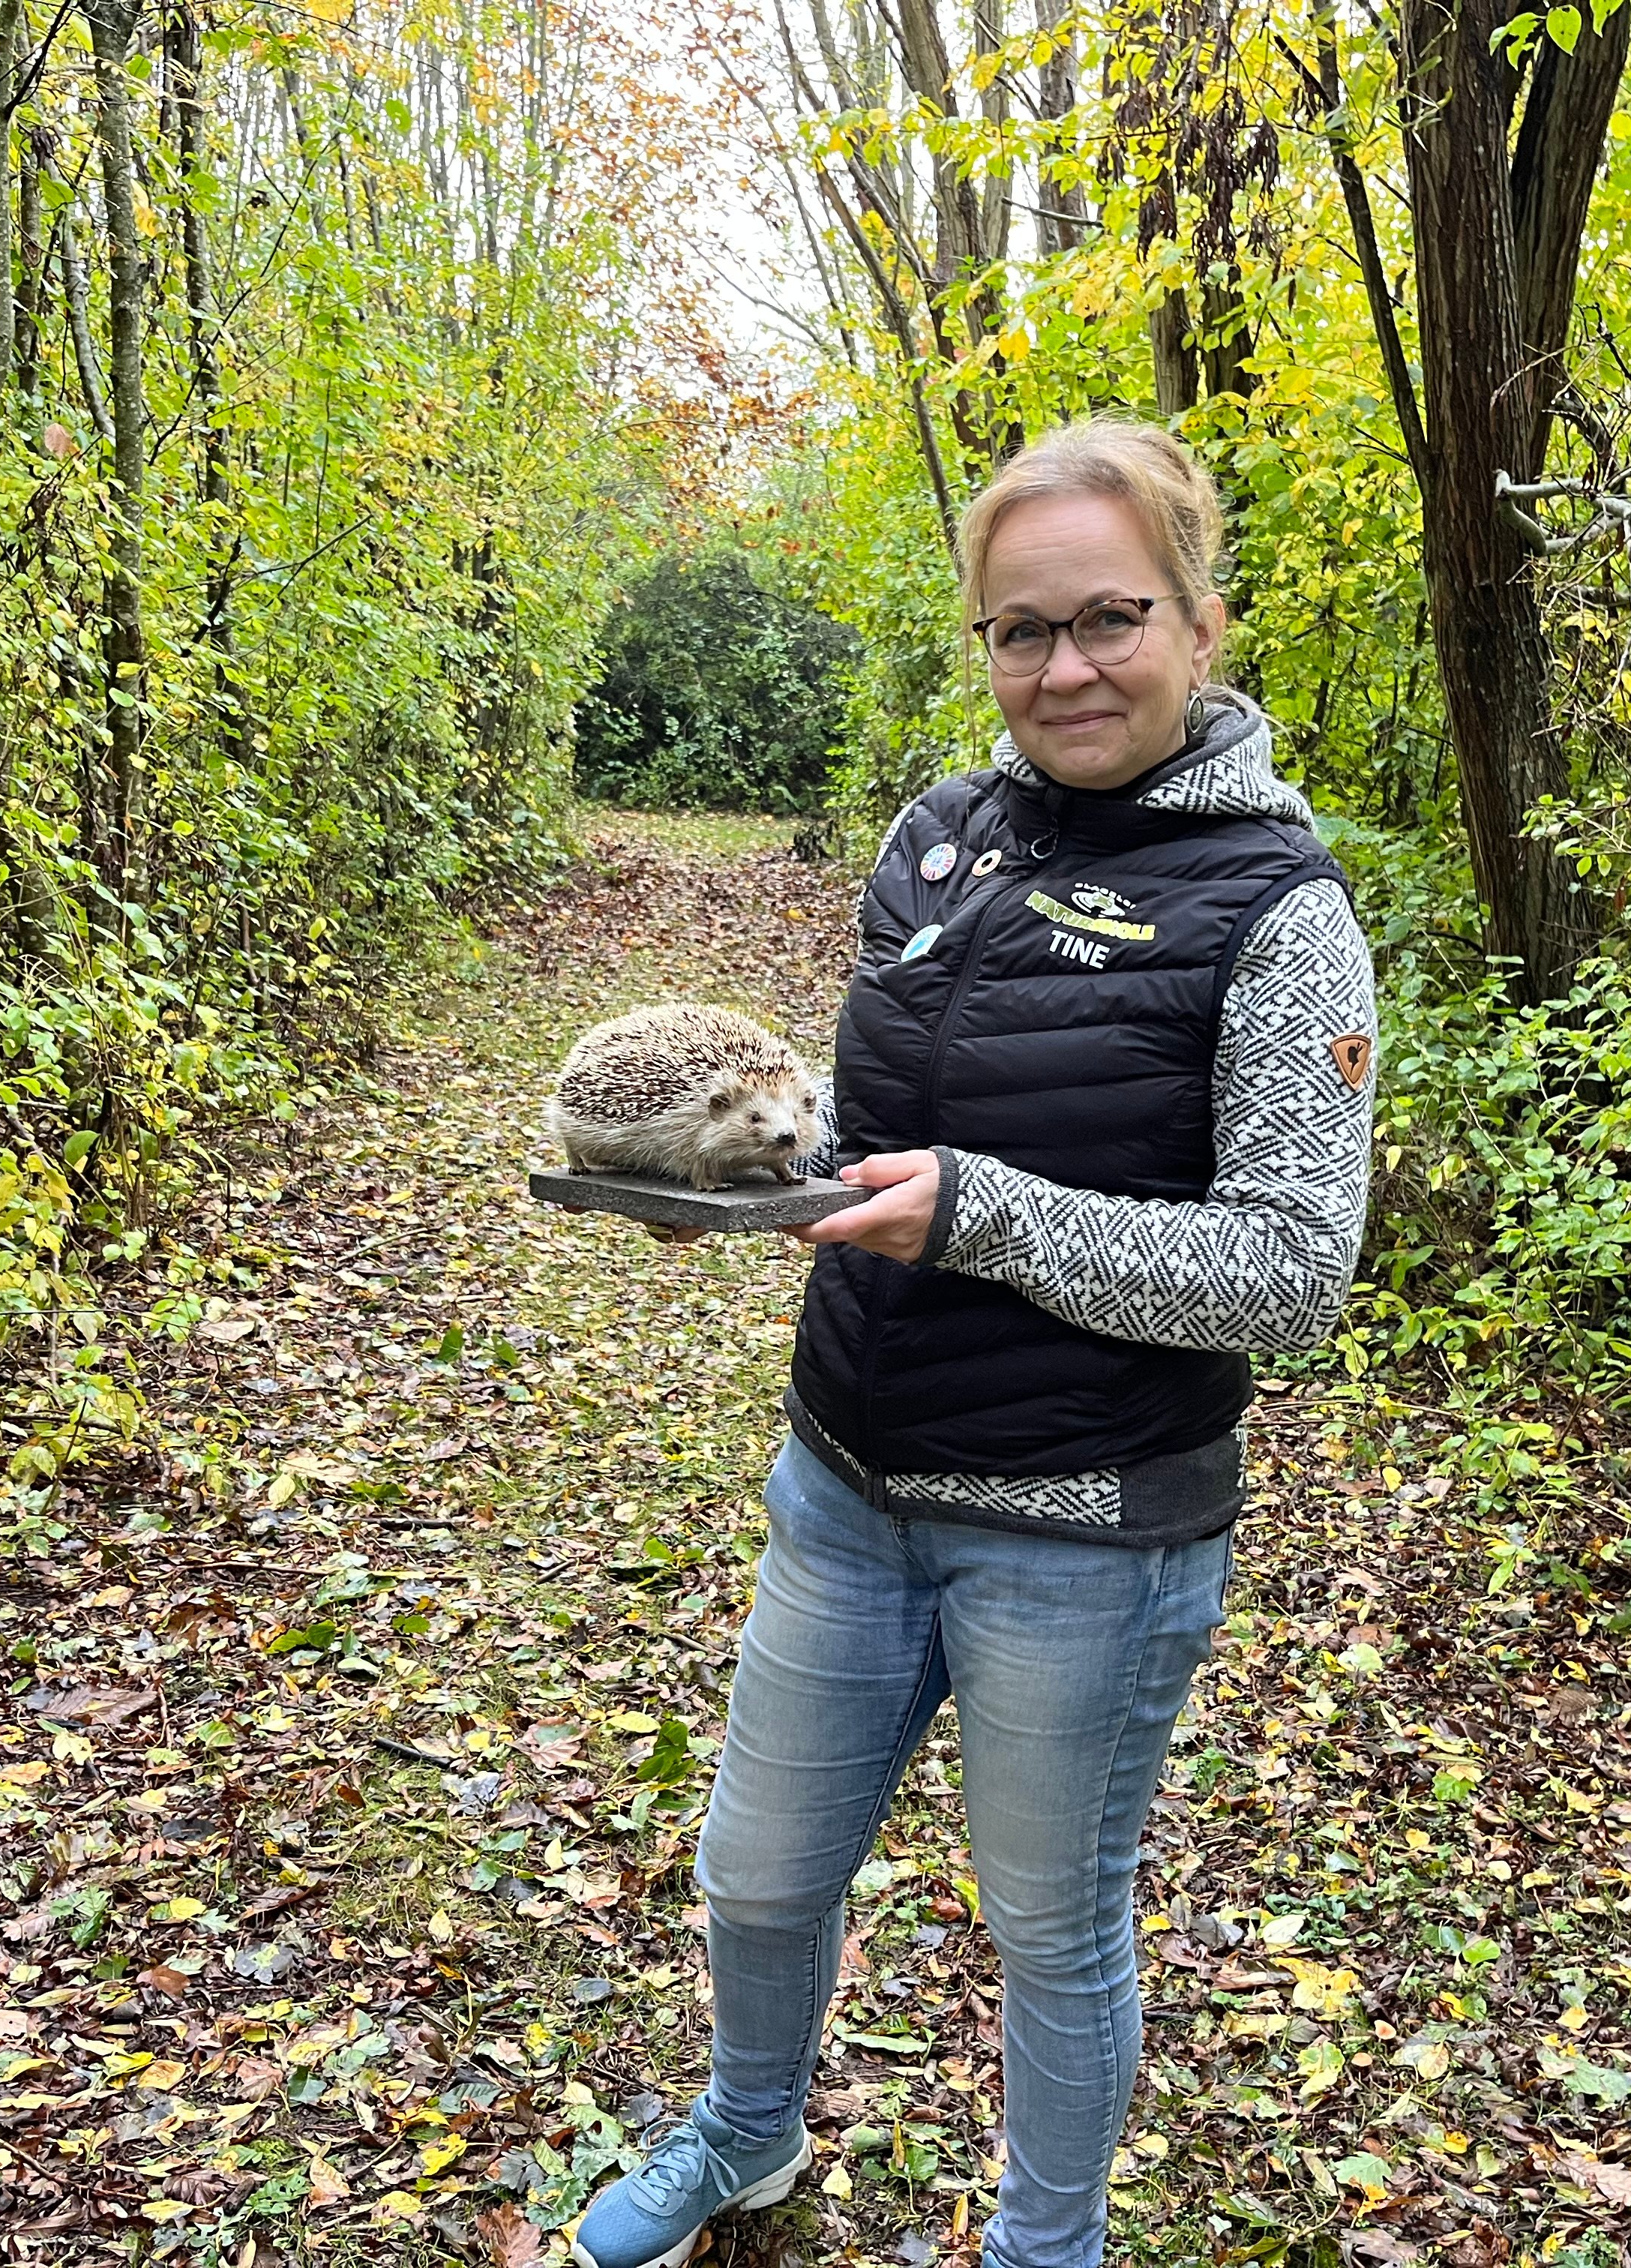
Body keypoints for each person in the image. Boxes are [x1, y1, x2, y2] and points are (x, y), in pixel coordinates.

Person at [568, 419, 1378, 2268]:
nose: (1064, 668)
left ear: (1200, 620)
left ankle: (1046, 2247)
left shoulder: (1281, 914)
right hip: (847, 1486)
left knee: (1053, 1932)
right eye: (1021, 631)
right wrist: (729, 1175)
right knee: (760, 1877)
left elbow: (1288, 1276)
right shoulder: (935, 837)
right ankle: (747, 2137)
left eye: (1110, 618)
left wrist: (983, 1214)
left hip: (1084, 1540)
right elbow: (875, 1132)